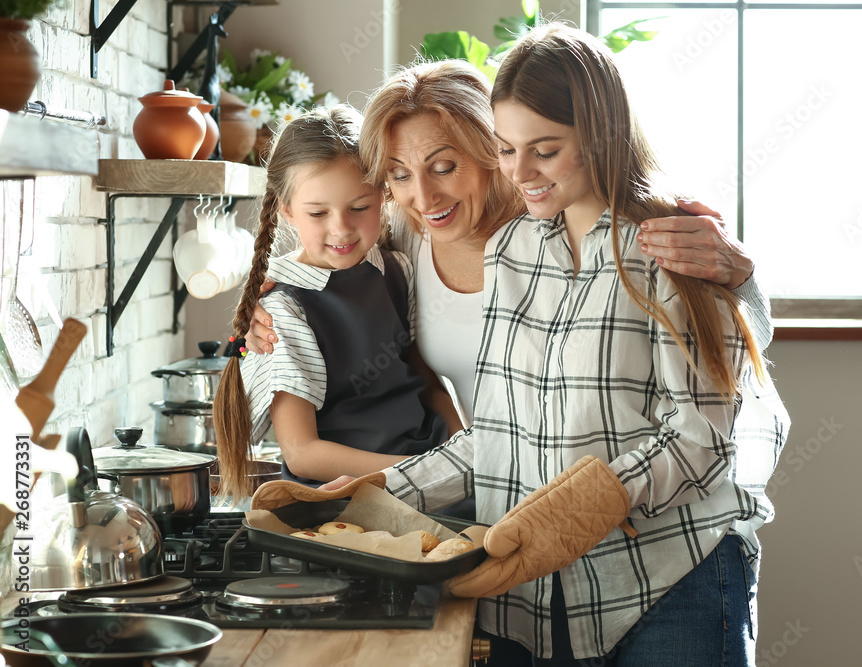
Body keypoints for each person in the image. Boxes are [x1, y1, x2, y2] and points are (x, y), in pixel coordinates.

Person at [355, 25, 790, 666]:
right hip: (543, 592)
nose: (521, 173)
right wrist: (373, 493)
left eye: (545, 150)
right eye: (507, 149)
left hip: (672, 578)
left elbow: (703, 442)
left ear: (602, 134)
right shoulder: (513, 252)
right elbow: (497, 434)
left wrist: (582, 504)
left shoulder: (670, 246)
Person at [244, 60, 774, 428]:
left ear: (492, 150)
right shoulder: (404, 238)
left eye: (445, 167)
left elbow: (742, 347)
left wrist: (743, 279)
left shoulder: (559, 213)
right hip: (485, 499)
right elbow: (327, 245)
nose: (423, 197)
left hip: (626, 516)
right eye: (399, 176)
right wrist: (262, 310)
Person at [212, 106, 454, 500]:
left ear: (383, 196)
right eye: (318, 212)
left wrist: (463, 453)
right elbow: (302, 453)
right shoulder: (283, 310)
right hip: (349, 499)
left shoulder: (396, 267)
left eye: (359, 207)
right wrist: (418, 471)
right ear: (287, 210)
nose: (341, 228)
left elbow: (424, 381)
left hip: (432, 474)